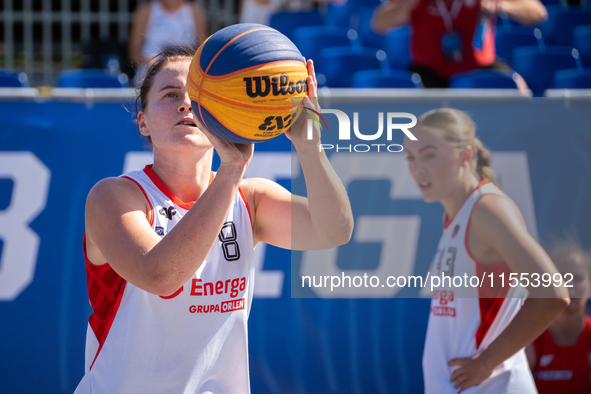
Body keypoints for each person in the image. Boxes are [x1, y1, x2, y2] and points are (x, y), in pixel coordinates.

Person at [73, 47, 353, 393]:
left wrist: (309, 147)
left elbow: (335, 230)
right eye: (170, 94)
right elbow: (161, 277)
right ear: (142, 120)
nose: (186, 104)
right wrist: (232, 170)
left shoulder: (250, 199)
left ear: (222, 110)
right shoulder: (115, 196)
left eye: (199, 96)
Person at [403, 108, 569, 393]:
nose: (417, 168)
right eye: (410, 157)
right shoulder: (457, 215)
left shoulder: (487, 210)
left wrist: (487, 361)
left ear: (466, 156)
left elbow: (553, 293)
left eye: (429, 155)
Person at [371, 0, 547, 88]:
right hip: (428, 72)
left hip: (479, 68)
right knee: (406, 90)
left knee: (517, 85)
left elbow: (538, 13)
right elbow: (378, 23)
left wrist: (503, 6)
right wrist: (408, 6)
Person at [526, 244, 591, 393]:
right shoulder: (528, 340)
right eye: (560, 277)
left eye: (577, 278)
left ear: (589, 287)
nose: (568, 285)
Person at [129, 0, 208, 83]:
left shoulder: (195, 11)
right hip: (151, 71)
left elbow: (203, 51)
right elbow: (133, 54)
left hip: (186, 70)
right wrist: (153, 62)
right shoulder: (145, 10)